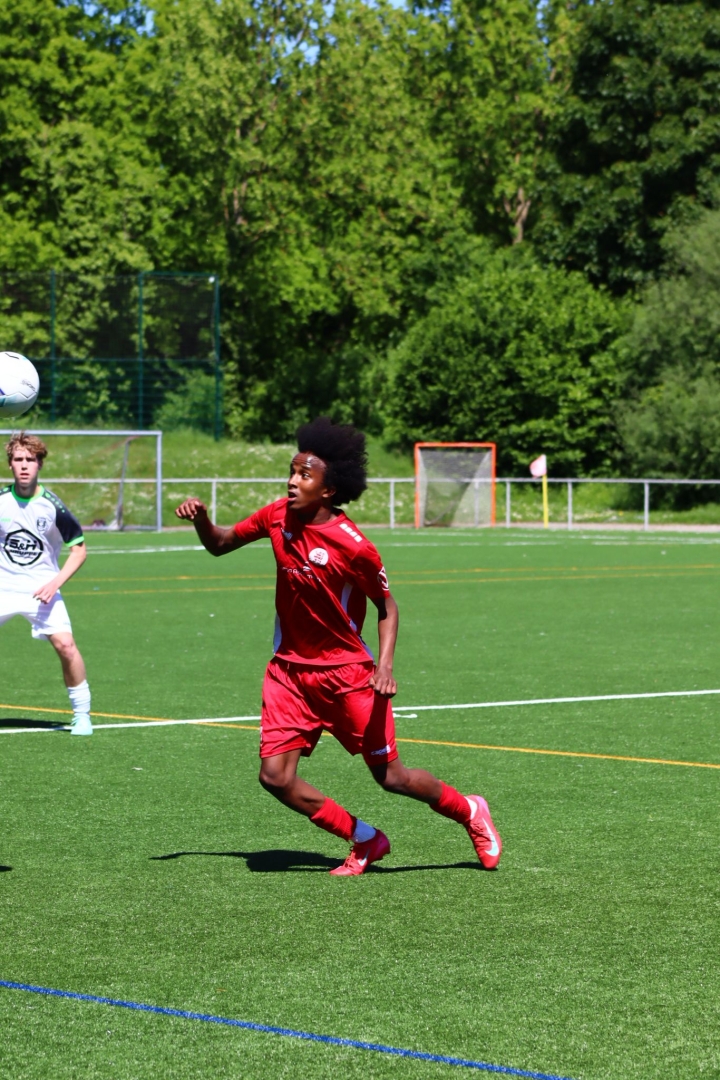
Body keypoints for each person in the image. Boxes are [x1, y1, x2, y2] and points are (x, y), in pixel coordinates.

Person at [175, 417, 501, 875]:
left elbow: (387, 607)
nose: (292, 481)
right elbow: (221, 543)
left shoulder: (355, 547)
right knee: (275, 777)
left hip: (348, 676)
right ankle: (364, 838)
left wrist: (384, 666)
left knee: (392, 778)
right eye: (292, 472)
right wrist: (202, 520)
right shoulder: (276, 516)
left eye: (304, 475)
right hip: (288, 673)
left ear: (328, 490)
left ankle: (469, 810)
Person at [0, 432, 93, 735]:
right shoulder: (1, 501)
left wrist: (54, 584)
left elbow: (79, 550)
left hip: (43, 589)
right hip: (3, 588)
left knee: (66, 645)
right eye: (18, 459)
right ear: (10, 464)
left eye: (30, 459)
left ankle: (82, 715)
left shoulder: (53, 506)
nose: (24, 465)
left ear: (39, 464)